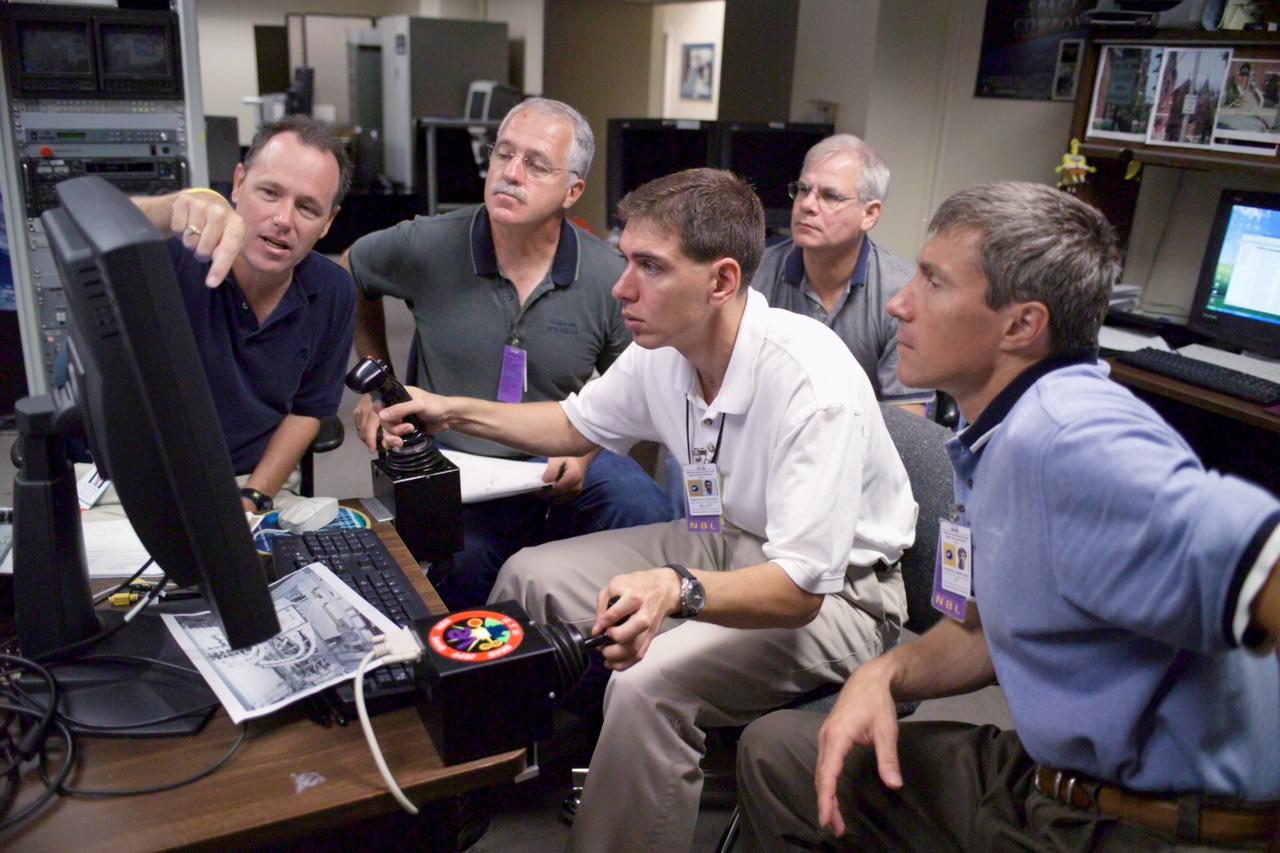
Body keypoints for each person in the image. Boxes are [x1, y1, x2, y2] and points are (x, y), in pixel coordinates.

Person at [365, 168, 917, 852]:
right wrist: (448, 408)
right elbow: (573, 423)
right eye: (625, 260)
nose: (622, 287)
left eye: (649, 267)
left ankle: (623, 786)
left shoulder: (811, 382)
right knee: (528, 575)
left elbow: (801, 589)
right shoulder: (667, 346)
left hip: (840, 595)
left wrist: (676, 590)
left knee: (650, 684)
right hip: (733, 541)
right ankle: (501, 772)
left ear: (719, 281)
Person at [735, 182, 1280, 852]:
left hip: (1141, 822)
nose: (901, 304)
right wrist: (882, 673)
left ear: (1022, 324)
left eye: (932, 283)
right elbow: (985, 631)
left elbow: (1265, 562)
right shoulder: (999, 433)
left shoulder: (1068, 436)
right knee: (779, 752)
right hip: (1051, 774)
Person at [344, 97, 672, 609]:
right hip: (455, 463)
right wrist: (376, 383)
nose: (510, 174)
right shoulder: (426, 244)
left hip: (553, 456)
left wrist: (584, 450)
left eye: (536, 164)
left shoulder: (609, 277)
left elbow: (636, 397)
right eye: (503, 155)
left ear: (573, 191)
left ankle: (605, 664)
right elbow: (354, 270)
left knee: (644, 507)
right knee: (463, 565)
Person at [132, 115, 354, 514]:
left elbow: (308, 411)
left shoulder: (333, 291)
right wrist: (169, 210)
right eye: (270, 193)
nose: (283, 220)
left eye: (307, 207)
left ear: (327, 224)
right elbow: (77, 224)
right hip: (141, 483)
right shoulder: (169, 255)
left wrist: (252, 497)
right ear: (237, 184)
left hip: (255, 481)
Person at [750, 134, 931, 410]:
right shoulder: (754, 275)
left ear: (869, 214)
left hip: (863, 444)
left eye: (830, 196)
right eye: (803, 189)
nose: (807, 205)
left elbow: (909, 419)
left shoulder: (903, 293)